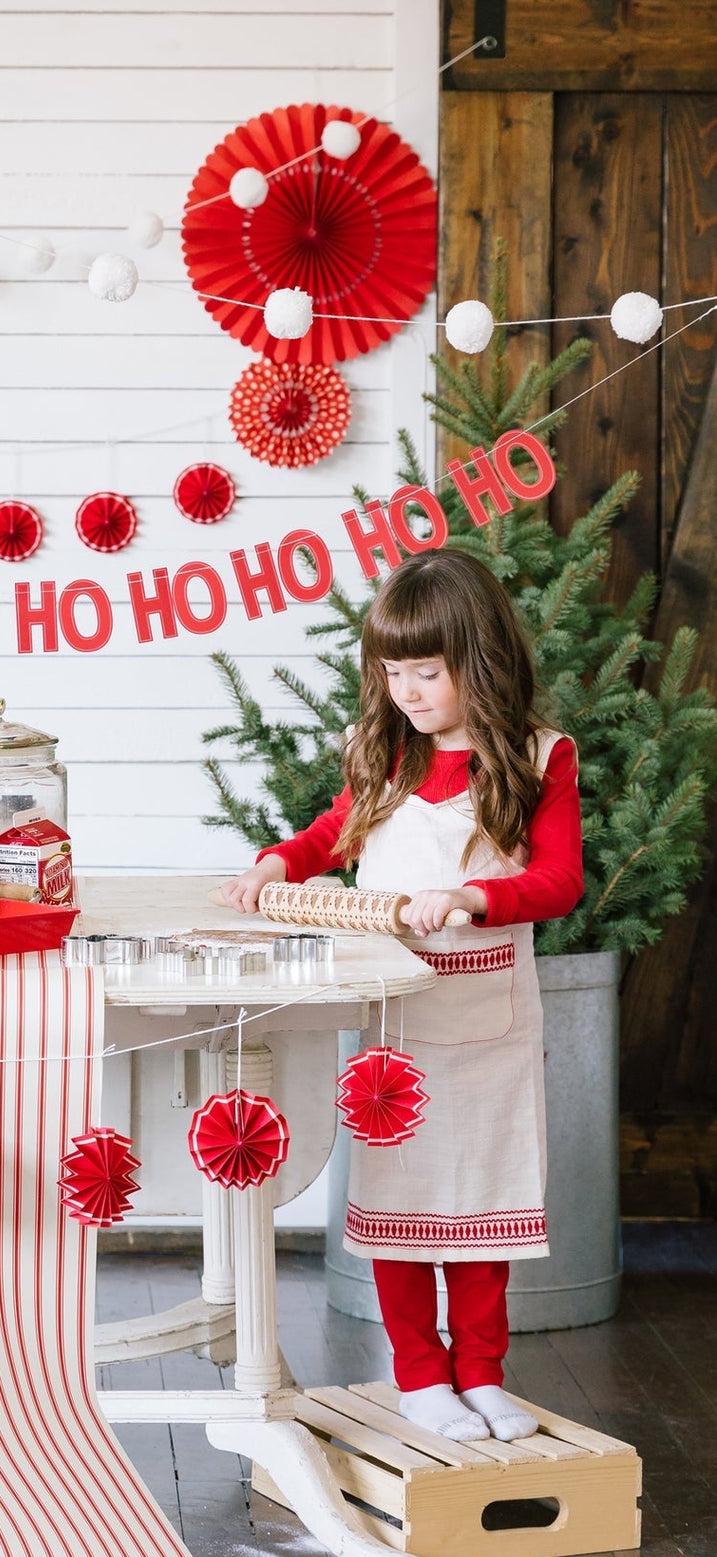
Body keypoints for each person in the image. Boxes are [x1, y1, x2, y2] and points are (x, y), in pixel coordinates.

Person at [219, 548, 583, 1442]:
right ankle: (420, 1375)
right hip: (398, 1016)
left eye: (428, 671)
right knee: (402, 1197)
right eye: (392, 671)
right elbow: (332, 832)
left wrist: (471, 898)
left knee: (481, 1199)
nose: (409, 691)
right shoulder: (382, 752)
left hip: (489, 1012)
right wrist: (277, 862)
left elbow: (558, 881)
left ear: (480, 660)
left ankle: (483, 1374)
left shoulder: (539, 758)